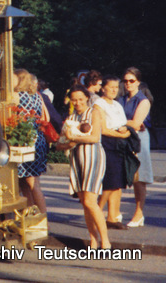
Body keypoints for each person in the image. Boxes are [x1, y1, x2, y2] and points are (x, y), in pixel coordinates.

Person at [58, 84, 109, 249]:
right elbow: (60, 143)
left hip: (93, 158)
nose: (78, 102)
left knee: (90, 201)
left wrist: (74, 139)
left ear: (87, 97)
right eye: (74, 100)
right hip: (77, 160)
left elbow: (94, 138)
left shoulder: (94, 112)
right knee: (85, 202)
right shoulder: (71, 118)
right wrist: (67, 142)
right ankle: (93, 240)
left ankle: (106, 242)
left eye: (80, 99)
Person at [95, 76, 130, 228]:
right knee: (110, 181)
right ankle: (96, 212)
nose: (115, 90)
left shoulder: (117, 104)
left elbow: (123, 125)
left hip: (120, 143)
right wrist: (121, 134)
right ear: (103, 88)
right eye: (111, 87)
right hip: (107, 143)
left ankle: (112, 217)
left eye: (117, 87)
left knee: (118, 183)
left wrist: (126, 132)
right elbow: (103, 129)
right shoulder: (99, 104)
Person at [120, 67, 152, 228]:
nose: (128, 84)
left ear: (138, 82)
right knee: (121, 175)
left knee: (139, 179)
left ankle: (139, 214)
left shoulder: (143, 100)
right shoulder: (122, 99)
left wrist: (117, 120)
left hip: (138, 140)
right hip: (123, 138)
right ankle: (114, 213)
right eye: (125, 81)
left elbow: (137, 123)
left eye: (131, 80)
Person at [13, 69, 49, 215]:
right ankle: (35, 217)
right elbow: (46, 118)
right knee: (30, 183)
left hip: (24, 141)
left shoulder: (17, 96)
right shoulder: (37, 96)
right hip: (38, 140)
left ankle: (41, 217)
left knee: (30, 184)